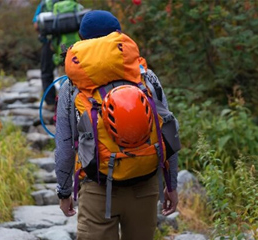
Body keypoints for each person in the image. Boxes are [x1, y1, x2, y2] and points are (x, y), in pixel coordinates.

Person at [54, 10, 180, 240]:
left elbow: (64, 144)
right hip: (145, 183)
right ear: (119, 38)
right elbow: (169, 129)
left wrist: (64, 191)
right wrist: (171, 185)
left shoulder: (72, 86)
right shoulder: (146, 77)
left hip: (96, 187)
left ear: (82, 41)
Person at [33, 0, 83, 111]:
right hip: (77, 43)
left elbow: (36, 24)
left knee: (48, 71)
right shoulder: (72, 2)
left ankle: (52, 103)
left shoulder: (45, 4)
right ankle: (83, 101)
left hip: (53, 43)